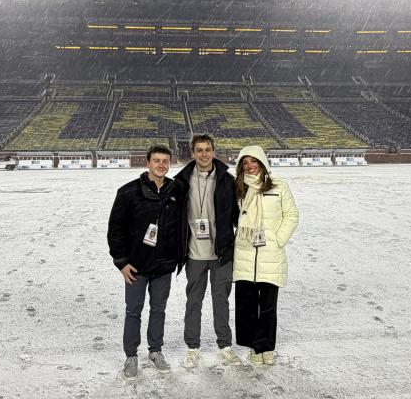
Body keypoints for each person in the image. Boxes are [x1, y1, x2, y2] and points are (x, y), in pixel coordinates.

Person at [107, 144, 183, 381]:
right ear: (147, 162)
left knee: (159, 310)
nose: (161, 165)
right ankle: (131, 355)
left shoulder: (176, 190)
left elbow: (182, 226)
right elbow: (115, 230)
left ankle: (155, 351)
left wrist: (176, 256)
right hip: (136, 266)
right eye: (157, 160)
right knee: (134, 311)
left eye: (165, 161)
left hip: (163, 266)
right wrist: (121, 262)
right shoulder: (128, 192)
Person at [174, 134, 241, 368]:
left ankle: (225, 346)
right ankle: (192, 347)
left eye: (208, 149)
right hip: (194, 254)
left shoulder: (227, 180)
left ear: (214, 151)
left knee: (221, 301)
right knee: (193, 301)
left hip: (221, 253)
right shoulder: (180, 181)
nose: (204, 154)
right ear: (192, 153)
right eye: (199, 150)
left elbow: (237, 216)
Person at [233, 145, 299, 366]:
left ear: (262, 163)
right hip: (245, 254)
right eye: (245, 162)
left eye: (254, 161)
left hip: (270, 255)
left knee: (268, 307)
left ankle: (266, 347)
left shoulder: (279, 186)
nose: (250, 166)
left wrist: (278, 239)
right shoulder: (239, 188)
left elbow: (291, 215)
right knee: (247, 306)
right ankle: (253, 346)